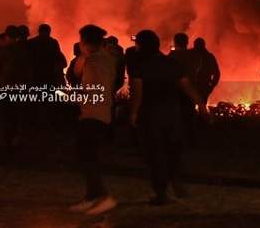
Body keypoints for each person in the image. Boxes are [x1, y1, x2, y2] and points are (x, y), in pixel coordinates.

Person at [129, 30, 208, 205]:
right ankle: (177, 182)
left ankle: (161, 193)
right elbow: (187, 87)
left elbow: (137, 93)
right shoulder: (172, 64)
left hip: (150, 116)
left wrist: (133, 113)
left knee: (155, 154)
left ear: (141, 46)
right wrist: (201, 105)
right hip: (172, 114)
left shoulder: (139, 66)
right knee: (173, 150)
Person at [69, 25, 118, 215]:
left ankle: (102, 197)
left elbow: (92, 90)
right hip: (99, 113)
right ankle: (92, 196)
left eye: (81, 40)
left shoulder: (96, 61)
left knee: (87, 156)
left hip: (93, 114)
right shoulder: (103, 59)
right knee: (87, 155)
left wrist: (70, 97)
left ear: (86, 42)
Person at [0, 26, 32, 147]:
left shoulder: (2, 51)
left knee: (5, 114)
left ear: (7, 36)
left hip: (4, 86)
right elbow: (28, 70)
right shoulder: (24, 51)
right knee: (18, 113)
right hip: (20, 87)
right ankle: (16, 137)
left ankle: (6, 139)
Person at [188, 38, 220, 104]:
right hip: (203, 86)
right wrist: (211, 85)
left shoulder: (189, 55)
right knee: (202, 106)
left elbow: (217, 73)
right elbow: (217, 73)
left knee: (190, 107)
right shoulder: (209, 56)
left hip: (192, 86)